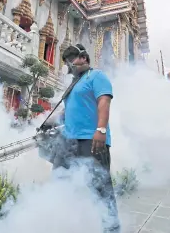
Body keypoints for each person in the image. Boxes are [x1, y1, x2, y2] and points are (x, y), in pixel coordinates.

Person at [48, 43, 121, 233]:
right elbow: (69, 109)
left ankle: (111, 228)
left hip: (92, 139)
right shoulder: (74, 84)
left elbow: (103, 101)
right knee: (60, 179)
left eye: (72, 59)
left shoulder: (96, 76)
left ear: (84, 58)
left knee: (100, 187)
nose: (70, 64)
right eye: (67, 62)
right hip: (69, 140)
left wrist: (101, 130)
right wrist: (50, 121)